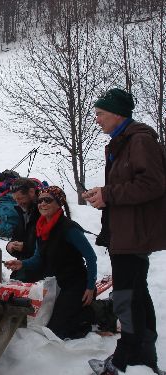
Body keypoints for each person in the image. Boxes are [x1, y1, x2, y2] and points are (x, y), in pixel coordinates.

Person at [83, 88, 166, 375]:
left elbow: (154, 184)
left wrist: (109, 194)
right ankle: (142, 360)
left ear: (118, 114)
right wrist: (103, 196)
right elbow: (130, 187)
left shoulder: (140, 141)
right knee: (136, 295)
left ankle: (123, 361)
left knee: (126, 297)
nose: (97, 120)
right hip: (125, 232)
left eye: (100, 114)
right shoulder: (123, 142)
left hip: (134, 235)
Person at [6, 186, 98, 340]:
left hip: (77, 284)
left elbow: (91, 257)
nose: (42, 204)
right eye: (40, 200)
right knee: (46, 323)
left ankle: (96, 312)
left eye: (48, 200)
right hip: (58, 283)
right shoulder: (41, 228)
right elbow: (37, 258)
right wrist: (22, 264)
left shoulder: (69, 228)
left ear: (58, 203)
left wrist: (90, 287)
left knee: (57, 332)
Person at [5, 178, 43, 282]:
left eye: (20, 198)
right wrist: (10, 246)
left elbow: (48, 246)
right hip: (25, 269)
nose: (19, 203)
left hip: (41, 274)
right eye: (16, 200)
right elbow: (17, 237)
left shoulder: (43, 213)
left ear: (31, 192)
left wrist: (25, 247)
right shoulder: (24, 213)